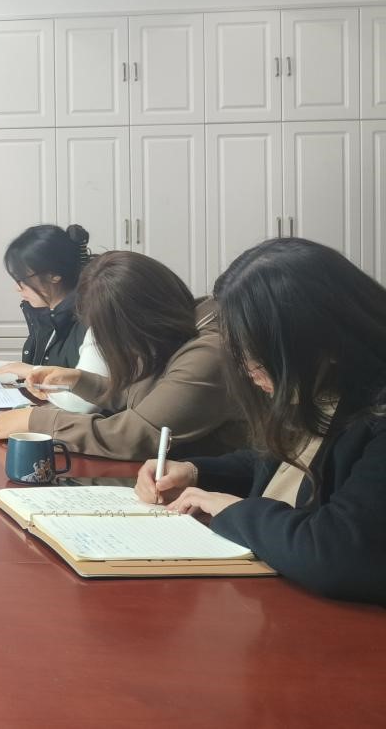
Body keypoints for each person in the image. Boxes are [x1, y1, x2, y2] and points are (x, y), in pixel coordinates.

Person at [136, 239, 386, 605]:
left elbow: (338, 555)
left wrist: (233, 511)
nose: (247, 370)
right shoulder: (328, 384)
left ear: (323, 340)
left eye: (257, 355)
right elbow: (285, 464)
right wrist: (194, 473)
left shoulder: (374, 413)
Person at [0, 250, 247, 460]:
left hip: (214, 487)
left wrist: (39, 422)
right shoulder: (179, 327)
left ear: (134, 323)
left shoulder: (209, 352)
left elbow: (138, 434)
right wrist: (78, 380)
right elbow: (144, 397)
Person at [0, 224, 104, 414]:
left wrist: (31, 374)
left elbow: (84, 402)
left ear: (54, 276)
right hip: (50, 418)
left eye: (22, 279)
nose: (17, 287)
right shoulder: (48, 316)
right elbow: (26, 371)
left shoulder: (94, 321)